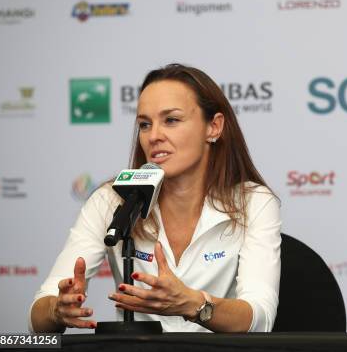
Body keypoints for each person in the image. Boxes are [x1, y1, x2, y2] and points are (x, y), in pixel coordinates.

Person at [29, 64, 281, 333]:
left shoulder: (253, 203)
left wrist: (193, 305)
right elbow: (37, 320)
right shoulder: (111, 200)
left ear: (214, 127)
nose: (154, 136)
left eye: (171, 120)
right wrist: (57, 309)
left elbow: (260, 320)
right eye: (145, 125)